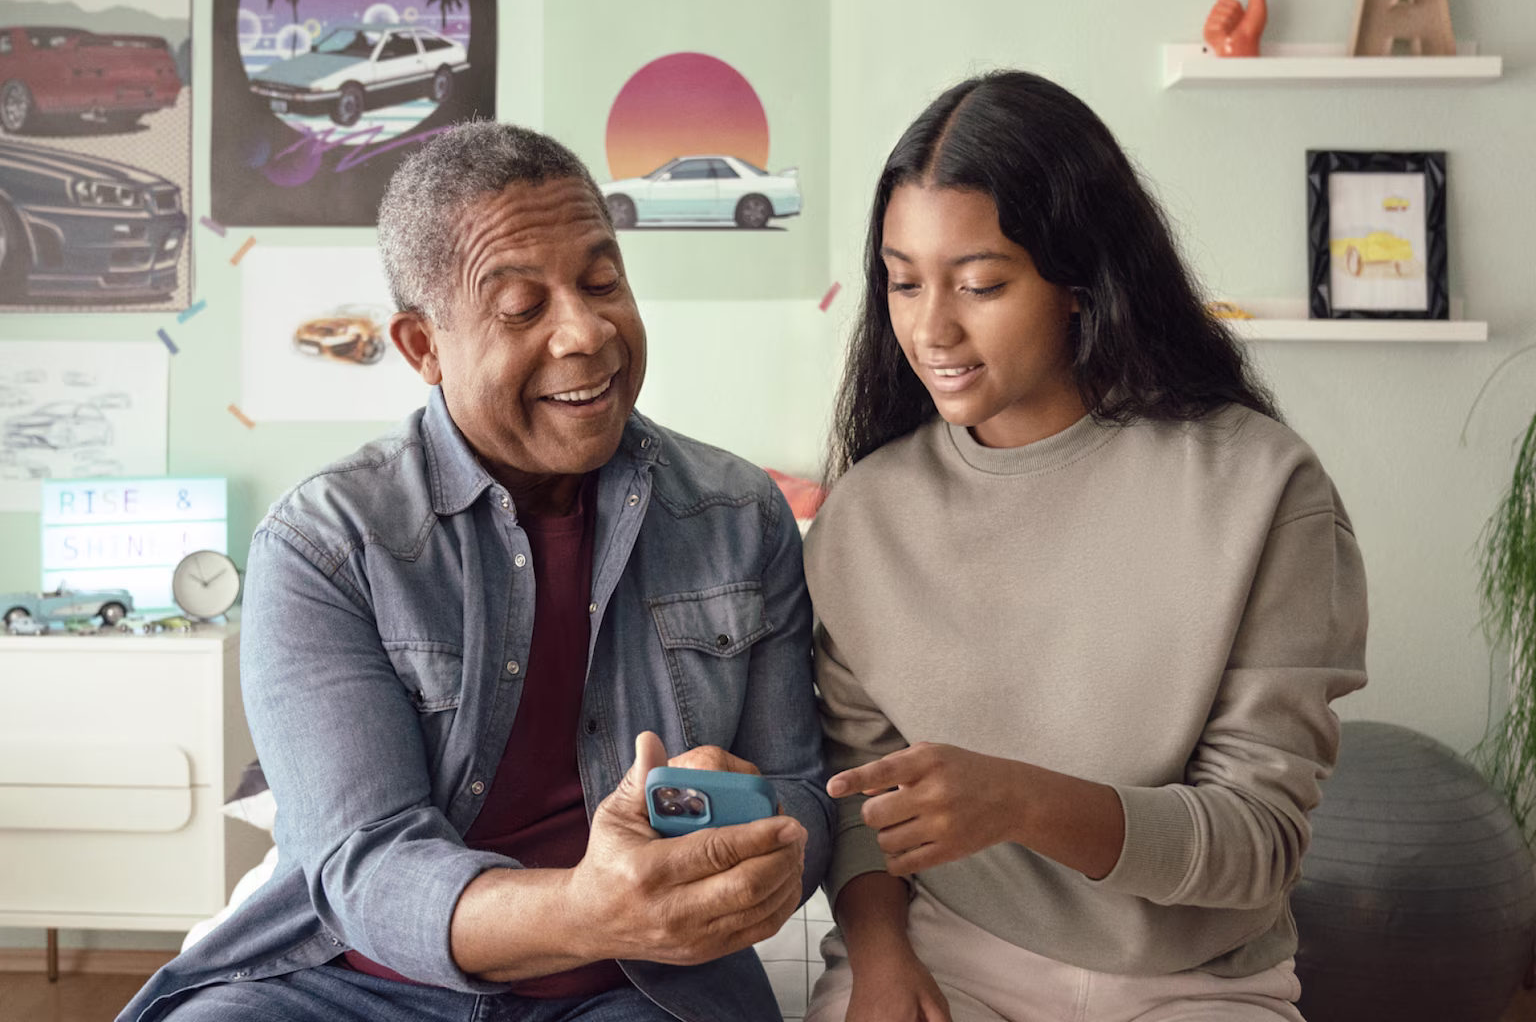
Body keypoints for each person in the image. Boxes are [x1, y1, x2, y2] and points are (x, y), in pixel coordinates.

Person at [118, 122, 832, 1022]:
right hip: (351, 981)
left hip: (634, 983)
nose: (586, 331)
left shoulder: (738, 514)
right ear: (423, 346)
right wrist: (581, 907)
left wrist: (762, 864)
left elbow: (801, 789)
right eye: (522, 307)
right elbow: (367, 861)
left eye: (603, 282)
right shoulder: (324, 544)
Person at [802, 71, 1367, 1022]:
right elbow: (861, 797)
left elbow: (1259, 841)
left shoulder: (1262, 489)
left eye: (980, 283)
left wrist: (1021, 801)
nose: (929, 328)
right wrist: (880, 956)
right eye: (903, 282)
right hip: (946, 957)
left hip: (1197, 980)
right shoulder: (866, 515)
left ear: (1079, 281)